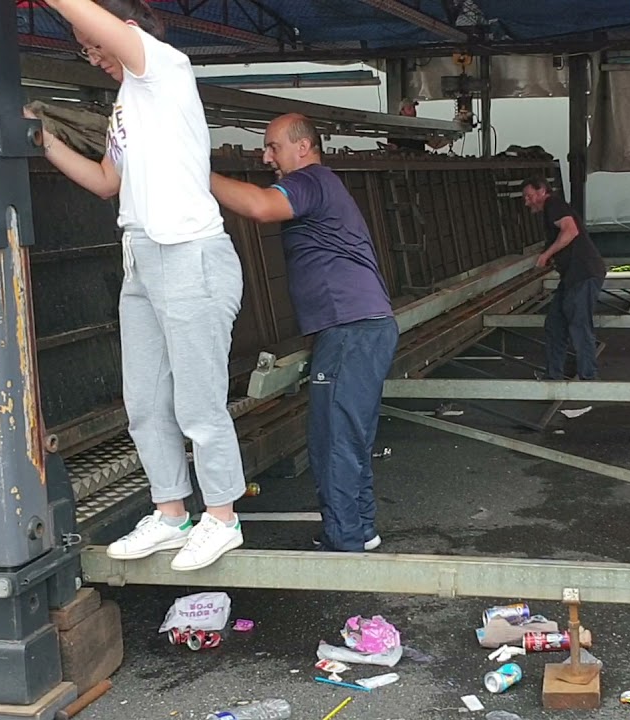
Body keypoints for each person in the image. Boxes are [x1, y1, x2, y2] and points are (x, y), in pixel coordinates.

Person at [33, 0, 245, 572]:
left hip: (189, 254)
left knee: (199, 402)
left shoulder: (163, 66)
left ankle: (222, 517)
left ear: (123, 29)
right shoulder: (127, 104)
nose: (93, 54)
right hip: (141, 257)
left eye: (95, 43)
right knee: (146, 403)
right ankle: (171, 512)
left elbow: (95, 18)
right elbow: (107, 182)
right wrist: (45, 141)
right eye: (85, 47)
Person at [209, 114, 399, 553]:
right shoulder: (323, 183)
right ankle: (360, 528)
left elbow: (259, 206)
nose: (266, 156)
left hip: (350, 328)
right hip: (360, 327)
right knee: (349, 434)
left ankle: (345, 539)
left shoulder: (310, 180)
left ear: (302, 147)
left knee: (333, 437)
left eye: (273, 146)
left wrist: (195, 170)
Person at [521, 177, 607, 380]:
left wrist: (546, 255)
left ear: (542, 191)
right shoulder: (551, 210)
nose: (527, 202)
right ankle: (554, 376)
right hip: (572, 276)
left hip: (583, 274)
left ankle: (588, 378)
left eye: (529, 196)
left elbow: (570, 231)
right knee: (555, 325)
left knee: (579, 325)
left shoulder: (554, 204)